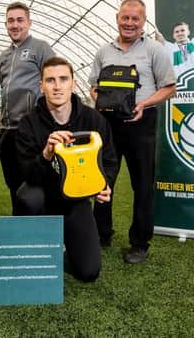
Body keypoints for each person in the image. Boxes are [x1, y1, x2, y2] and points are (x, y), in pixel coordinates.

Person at [88, 0, 176, 264]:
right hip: (109, 125)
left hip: (142, 124)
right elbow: (92, 84)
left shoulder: (154, 51)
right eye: (125, 18)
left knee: (142, 186)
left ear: (143, 22)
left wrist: (144, 104)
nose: (129, 23)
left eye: (135, 19)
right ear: (117, 18)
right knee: (102, 181)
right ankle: (101, 234)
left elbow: (170, 87)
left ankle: (139, 243)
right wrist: (100, 99)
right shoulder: (104, 51)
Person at [15, 57, 118, 282]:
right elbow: (26, 173)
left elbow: (109, 160)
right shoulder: (28, 124)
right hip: (42, 196)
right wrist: (46, 154)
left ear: (73, 83)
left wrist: (105, 183)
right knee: (27, 197)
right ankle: (32, 238)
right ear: (41, 85)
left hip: (75, 200)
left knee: (89, 272)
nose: (57, 86)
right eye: (50, 80)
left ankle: (68, 240)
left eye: (63, 79)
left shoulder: (94, 120)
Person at [0, 1, 56, 215]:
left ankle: (42, 229)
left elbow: (56, 79)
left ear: (29, 22)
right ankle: (18, 225)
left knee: (35, 183)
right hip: (7, 131)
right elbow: (4, 87)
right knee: (14, 184)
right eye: (11, 21)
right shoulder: (4, 56)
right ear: (6, 24)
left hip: (31, 129)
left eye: (20, 20)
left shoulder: (41, 48)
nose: (15, 25)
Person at [155, 4, 194, 77]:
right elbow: (157, 35)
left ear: (188, 32)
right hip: (179, 85)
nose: (179, 33)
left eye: (182, 30)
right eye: (176, 32)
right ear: (173, 36)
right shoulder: (170, 48)